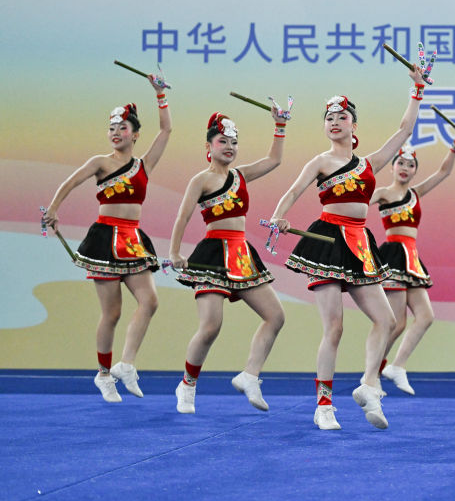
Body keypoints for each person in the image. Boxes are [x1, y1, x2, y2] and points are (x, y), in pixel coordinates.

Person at [268, 61, 427, 430]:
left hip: (360, 243)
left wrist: (417, 90)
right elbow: (293, 191)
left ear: (354, 126)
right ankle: (324, 405)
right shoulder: (320, 161)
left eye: (342, 117)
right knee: (334, 328)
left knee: (387, 320)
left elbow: (405, 130)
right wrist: (279, 217)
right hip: (327, 240)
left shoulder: (371, 163)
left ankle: (369, 385)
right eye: (330, 118)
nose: (335, 122)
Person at [42, 74, 171, 402]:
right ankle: (103, 375)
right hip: (104, 239)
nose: (115, 133)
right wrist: (54, 209)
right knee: (111, 313)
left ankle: (126, 364)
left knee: (150, 301)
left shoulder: (144, 165)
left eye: (122, 128)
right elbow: (70, 183)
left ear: (135, 134)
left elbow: (166, 131)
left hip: (132, 239)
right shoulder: (100, 162)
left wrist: (160, 94)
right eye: (111, 128)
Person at [168, 107, 287, 414]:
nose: (229, 147)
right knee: (211, 326)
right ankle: (187, 385)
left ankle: (250, 375)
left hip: (241, 254)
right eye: (222, 141)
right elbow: (182, 217)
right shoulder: (201, 180)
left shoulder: (241, 175)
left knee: (275, 316)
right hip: (212, 255)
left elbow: (274, 160)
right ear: (208, 146)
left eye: (234, 142)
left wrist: (280, 125)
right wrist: (175, 252)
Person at [373, 129, 455, 396]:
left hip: (411, 257)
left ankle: (396, 366)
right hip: (393, 256)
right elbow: (356, 203)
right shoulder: (383, 193)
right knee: (396, 323)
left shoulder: (416, 193)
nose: (405, 168)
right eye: (401, 163)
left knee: (425, 317)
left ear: (415, 171)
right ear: (392, 166)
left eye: (410, 165)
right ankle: (372, 372)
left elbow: (443, 172)